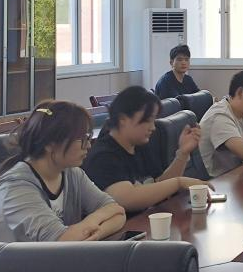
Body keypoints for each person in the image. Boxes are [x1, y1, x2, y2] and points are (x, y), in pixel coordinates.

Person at [0, 101, 126, 242]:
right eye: (82, 139)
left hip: (61, 255)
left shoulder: (72, 173)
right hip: (16, 259)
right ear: (49, 144)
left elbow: (118, 212)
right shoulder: (15, 187)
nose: (88, 145)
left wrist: (97, 232)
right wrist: (97, 218)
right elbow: (61, 241)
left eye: (87, 137)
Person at [83, 86, 213, 213]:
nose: (153, 127)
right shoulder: (103, 156)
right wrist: (178, 183)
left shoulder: (140, 144)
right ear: (123, 119)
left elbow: (159, 186)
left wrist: (183, 153)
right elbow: (127, 199)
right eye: (148, 120)